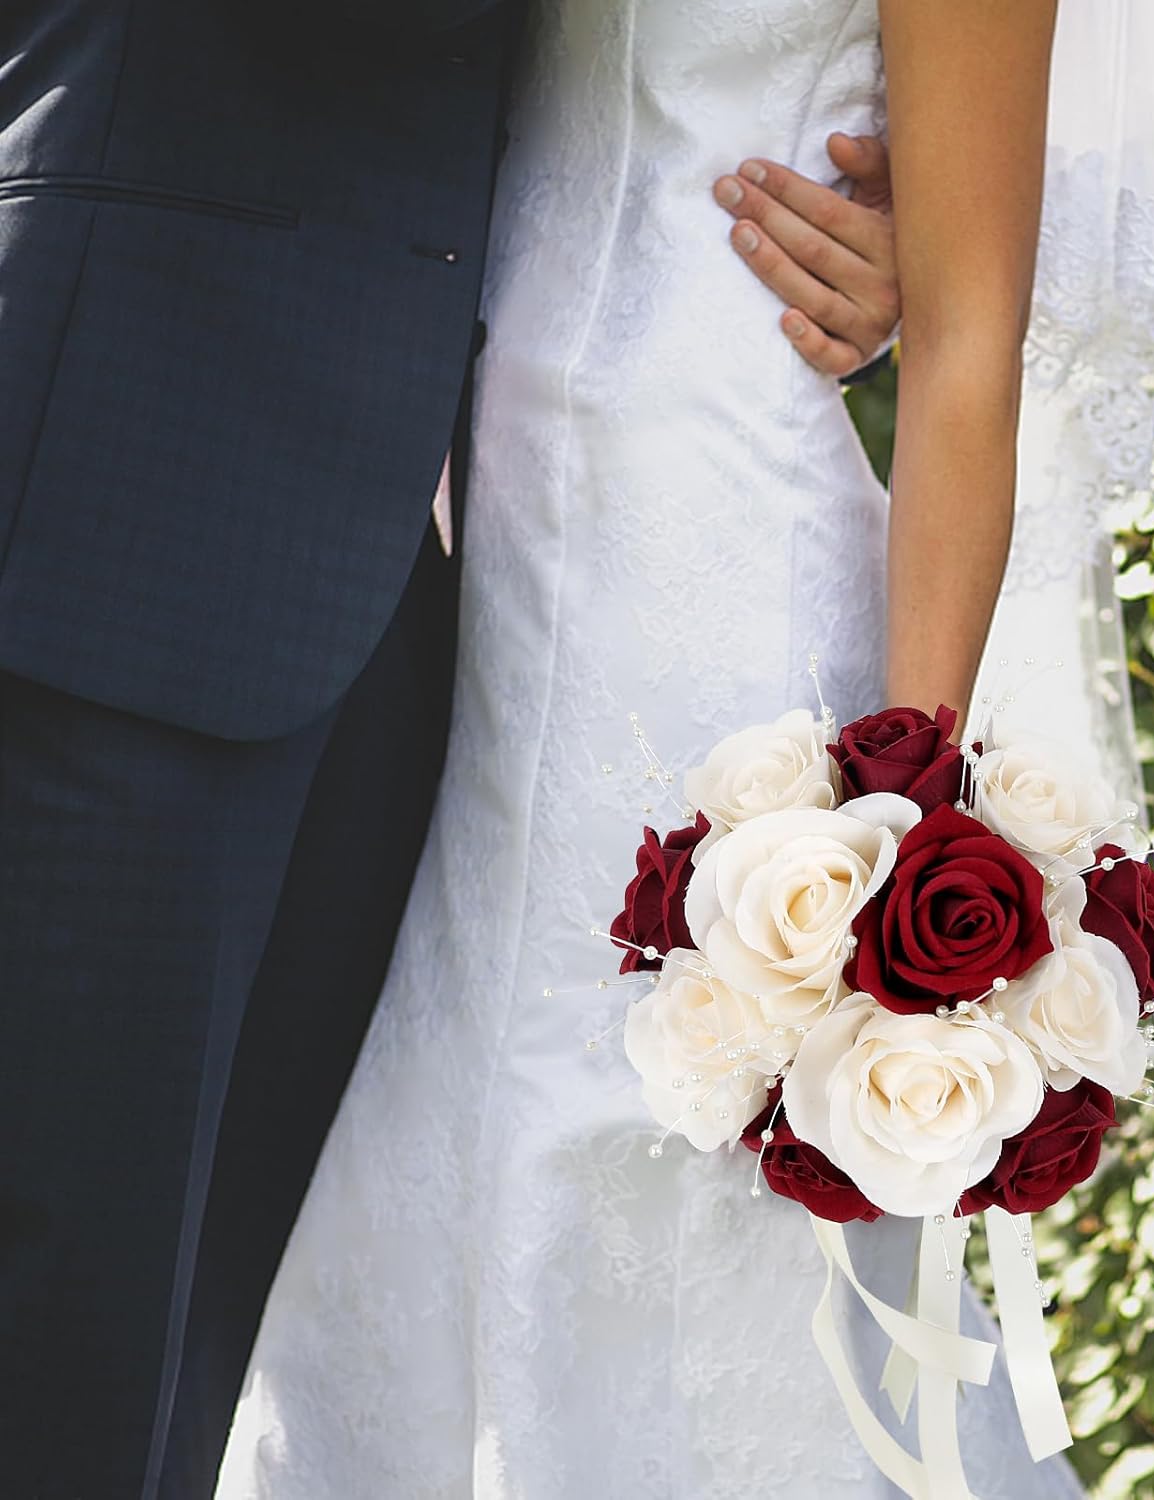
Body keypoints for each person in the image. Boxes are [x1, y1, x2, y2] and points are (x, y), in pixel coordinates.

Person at [0, 6, 905, 1496]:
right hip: (125, 492)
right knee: (60, 1330)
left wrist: (847, 194)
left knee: (180, 1365)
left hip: (407, 598)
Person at [218, 2, 1094, 1497]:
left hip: (730, 547)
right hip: (473, 553)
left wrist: (903, 818)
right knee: (433, 1131)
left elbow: (967, 339)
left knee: (668, 1138)